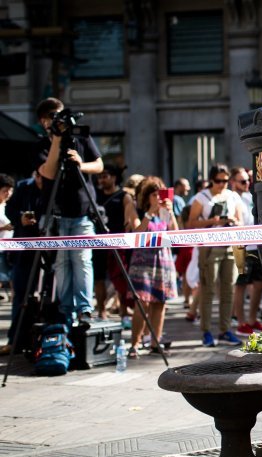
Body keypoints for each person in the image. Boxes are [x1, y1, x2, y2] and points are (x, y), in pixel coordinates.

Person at [36, 97, 104, 326]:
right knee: (63, 262)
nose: (60, 121)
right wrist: (56, 139)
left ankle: (85, 309)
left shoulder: (80, 137)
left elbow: (99, 165)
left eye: (61, 115)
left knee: (83, 260)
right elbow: (49, 172)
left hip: (83, 211)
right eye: (54, 117)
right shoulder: (41, 143)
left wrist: (80, 164)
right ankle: (66, 310)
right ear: (44, 121)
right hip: (56, 213)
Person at [186, 163, 244, 347]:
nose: (222, 184)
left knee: (229, 290)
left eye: (226, 180)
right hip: (209, 248)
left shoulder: (233, 196)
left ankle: (225, 330)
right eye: (218, 181)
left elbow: (241, 221)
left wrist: (233, 221)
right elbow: (190, 223)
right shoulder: (201, 197)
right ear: (211, 180)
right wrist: (213, 221)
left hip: (230, 247)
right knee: (208, 290)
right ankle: (206, 332)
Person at [127, 177, 179, 358]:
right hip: (142, 261)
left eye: (161, 195)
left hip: (162, 258)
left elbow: (176, 235)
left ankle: (155, 343)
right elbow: (137, 233)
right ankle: (135, 343)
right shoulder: (136, 209)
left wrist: (170, 213)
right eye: (155, 195)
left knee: (160, 301)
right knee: (142, 302)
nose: (158, 198)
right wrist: (149, 213)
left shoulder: (164, 212)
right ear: (147, 196)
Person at [2, 172, 44, 354]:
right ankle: (16, 340)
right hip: (23, 250)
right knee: (21, 294)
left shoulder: (58, 185)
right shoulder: (25, 187)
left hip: (52, 247)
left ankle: (46, 338)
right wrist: (20, 219)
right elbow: (11, 211)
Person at [93, 164, 136, 321]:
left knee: (120, 278)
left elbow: (128, 221)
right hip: (98, 241)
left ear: (114, 177)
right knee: (98, 278)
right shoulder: (95, 195)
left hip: (118, 243)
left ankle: (123, 310)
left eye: (105, 176)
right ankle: (101, 311)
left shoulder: (124, 196)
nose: (101, 179)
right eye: (99, 176)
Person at [230, 166, 262, 336]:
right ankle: (241, 322)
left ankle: (252, 320)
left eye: (248, 180)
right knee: (241, 285)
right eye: (243, 181)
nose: (247, 183)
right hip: (241, 247)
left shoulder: (250, 196)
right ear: (234, 182)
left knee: (259, 284)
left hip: (257, 245)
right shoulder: (233, 198)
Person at [0, 175, 14, 300]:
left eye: (10, 190)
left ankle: (14, 296)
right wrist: (6, 227)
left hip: (10, 246)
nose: (8, 193)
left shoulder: (10, 206)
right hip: (1, 246)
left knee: (11, 273)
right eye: (5, 191)